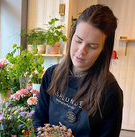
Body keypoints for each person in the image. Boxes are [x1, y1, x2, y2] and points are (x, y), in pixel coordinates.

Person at [32, 4, 123, 137]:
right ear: (72, 36)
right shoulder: (51, 75)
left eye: (92, 46)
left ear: (104, 49)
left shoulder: (109, 92)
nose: (81, 51)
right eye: (78, 40)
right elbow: (39, 117)